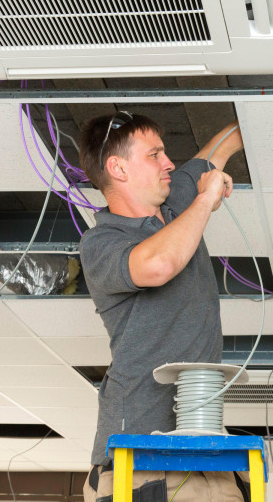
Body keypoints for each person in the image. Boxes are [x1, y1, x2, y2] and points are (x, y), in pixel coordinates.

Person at [78, 112, 246, 502]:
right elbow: (158, 265)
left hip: (203, 454)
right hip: (137, 457)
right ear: (117, 167)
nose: (169, 163)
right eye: (155, 154)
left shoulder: (175, 205)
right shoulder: (101, 243)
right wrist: (205, 198)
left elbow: (222, 147)